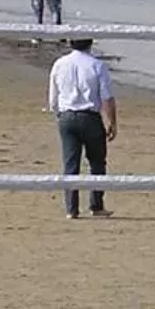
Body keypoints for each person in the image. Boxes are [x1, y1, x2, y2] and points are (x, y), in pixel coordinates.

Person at [47, 37, 116, 218]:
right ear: (90, 43)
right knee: (97, 162)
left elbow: (53, 97)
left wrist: (58, 113)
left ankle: (72, 208)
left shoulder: (60, 64)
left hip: (67, 115)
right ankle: (96, 204)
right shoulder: (97, 65)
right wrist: (111, 121)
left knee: (71, 164)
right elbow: (106, 97)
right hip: (90, 116)